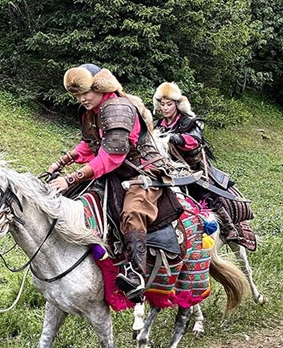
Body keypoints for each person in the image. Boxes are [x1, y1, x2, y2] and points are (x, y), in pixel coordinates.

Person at [47, 64, 173, 302]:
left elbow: (111, 156)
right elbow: (89, 145)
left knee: (132, 213)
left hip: (141, 171)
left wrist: (71, 178)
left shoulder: (117, 108)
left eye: (86, 93)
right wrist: (61, 162)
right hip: (114, 172)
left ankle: (136, 274)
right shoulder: (91, 109)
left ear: (99, 87)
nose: (82, 99)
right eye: (77, 95)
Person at [152, 82, 252, 246]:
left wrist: (173, 138)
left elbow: (194, 141)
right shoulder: (157, 126)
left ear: (177, 104)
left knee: (202, 192)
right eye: (162, 104)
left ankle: (228, 227)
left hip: (191, 167)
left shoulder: (189, 122)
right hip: (167, 169)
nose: (165, 108)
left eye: (169, 104)